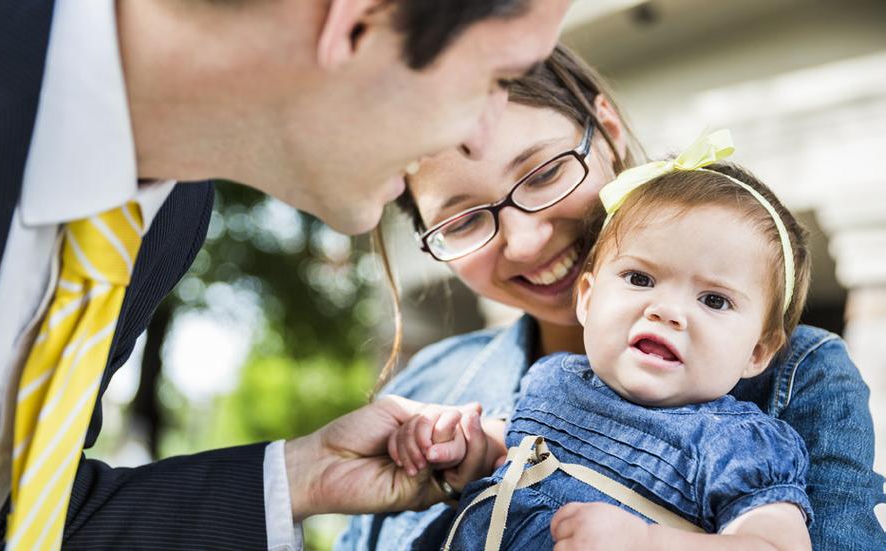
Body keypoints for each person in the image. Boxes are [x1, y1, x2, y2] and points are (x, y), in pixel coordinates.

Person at [0, 0, 571, 549]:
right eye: (495, 79)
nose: (480, 133)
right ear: (355, 21)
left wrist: (294, 475)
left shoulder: (167, 216)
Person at [338, 45, 885, 550]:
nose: (526, 242)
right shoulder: (439, 388)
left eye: (545, 172)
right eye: (463, 220)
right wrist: (465, 452)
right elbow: (526, 441)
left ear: (608, 128)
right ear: (586, 294)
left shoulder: (769, 410)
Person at [392, 143, 815, 550]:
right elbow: (521, 451)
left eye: (714, 300)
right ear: (588, 299)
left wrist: (647, 544)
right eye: (640, 278)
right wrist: (465, 448)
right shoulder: (554, 379)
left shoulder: (733, 443)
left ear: (758, 352)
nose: (666, 311)